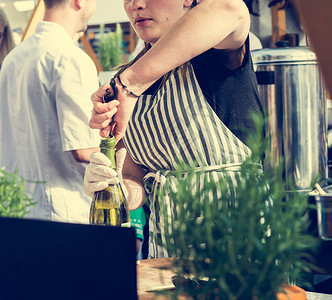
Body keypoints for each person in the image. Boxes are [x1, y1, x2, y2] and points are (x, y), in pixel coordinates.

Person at [84, 0, 264, 258]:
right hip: (166, 258)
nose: (136, 4)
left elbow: (231, 9)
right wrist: (116, 187)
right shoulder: (126, 83)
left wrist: (129, 83)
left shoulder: (215, 51)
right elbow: (134, 178)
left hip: (237, 251)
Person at [0, 0, 100, 223]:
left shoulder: (12, 59)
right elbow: (83, 149)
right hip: (63, 214)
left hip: (17, 210)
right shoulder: (71, 59)